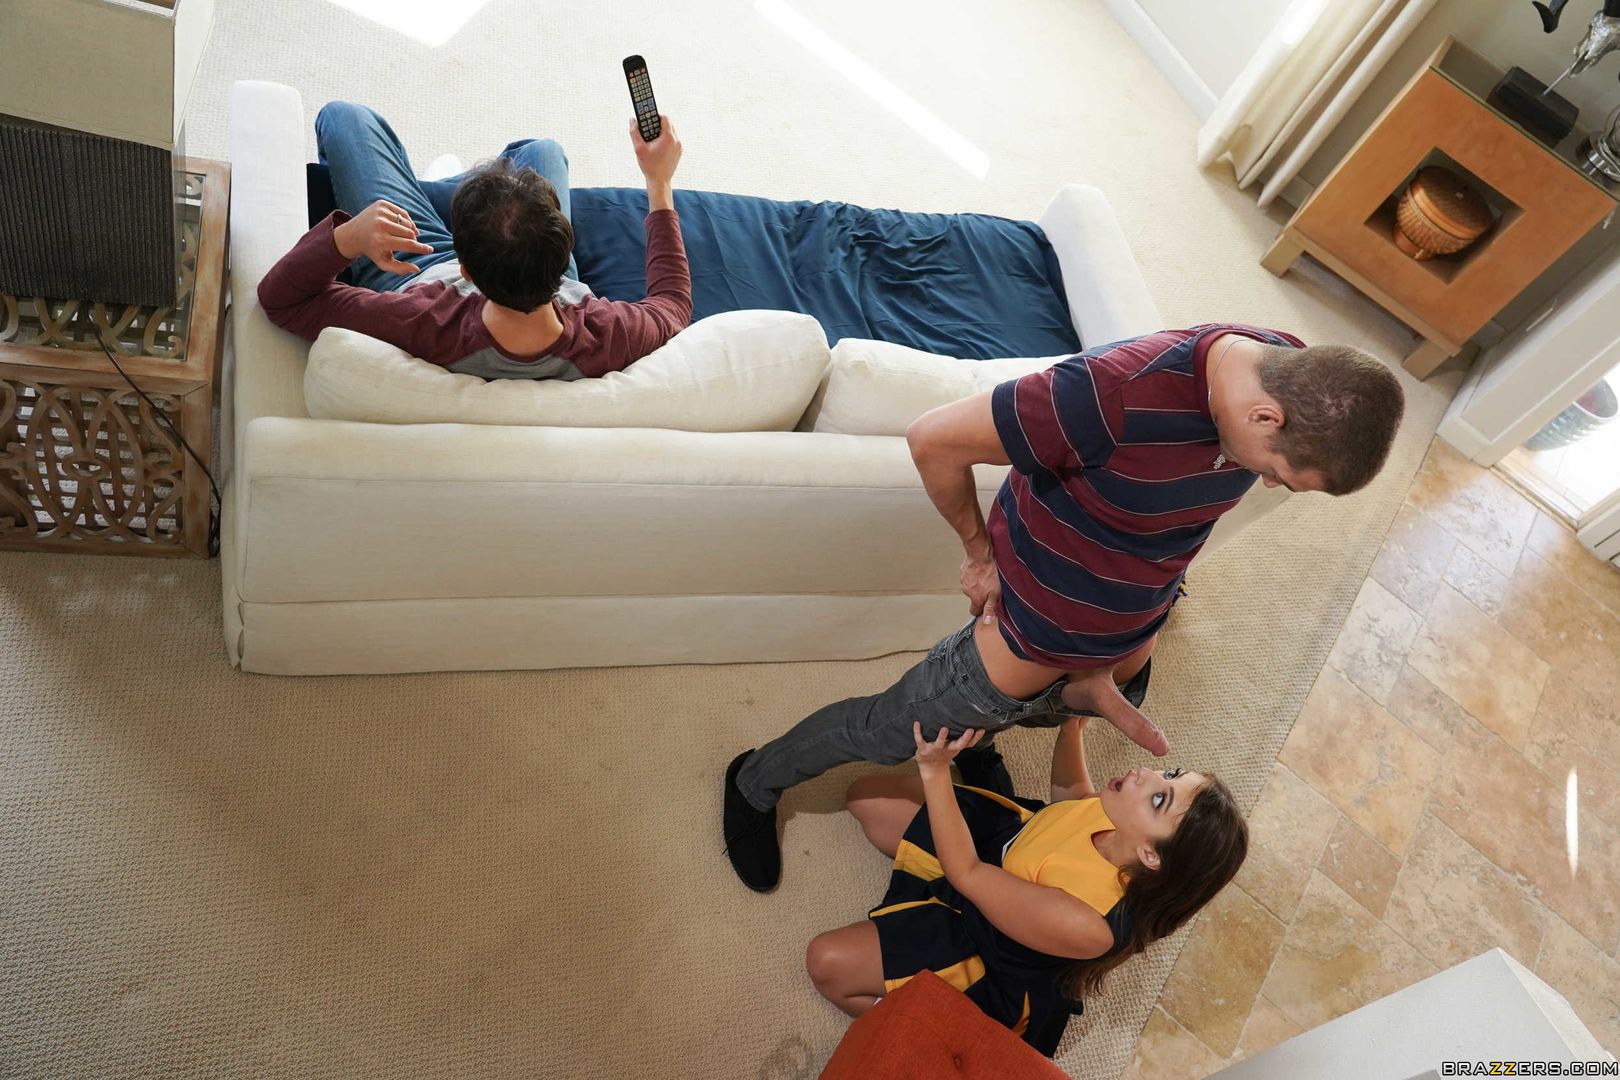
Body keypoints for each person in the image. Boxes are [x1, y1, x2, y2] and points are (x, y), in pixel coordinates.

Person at [723, 326, 1405, 891]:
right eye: (1277, 474)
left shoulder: (1280, 359)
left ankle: (985, 744)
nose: (1264, 483)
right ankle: (754, 781)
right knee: (884, 732)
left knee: (989, 738)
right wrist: (977, 553)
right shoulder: (1111, 396)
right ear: (1266, 416)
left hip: (1118, 648)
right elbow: (933, 438)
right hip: (1020, 644)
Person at [805, 715, 1247, 1056]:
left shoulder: (1091, 924)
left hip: (982, 943)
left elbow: (968, 875)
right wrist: (1073, 721)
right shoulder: (1121, 821)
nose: (1146, 775)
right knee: (863, 795)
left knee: (826, 963)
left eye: (1158, 799)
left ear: (1151, 856)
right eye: (1170, 774)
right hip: (998, 846)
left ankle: (919, 1034)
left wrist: (937, 772)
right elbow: (1071, 797)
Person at [258, 101, 690, 380]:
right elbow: (672, 304)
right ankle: (471, 191)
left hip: (419, 267)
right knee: (544, 151)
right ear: (561, 259)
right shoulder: (605, 333)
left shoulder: (418, 317)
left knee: (345, 117)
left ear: (466, 270)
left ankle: (457, 191)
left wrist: (347, 238)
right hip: (519, 279)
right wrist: (659, 180)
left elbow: (281, 300)